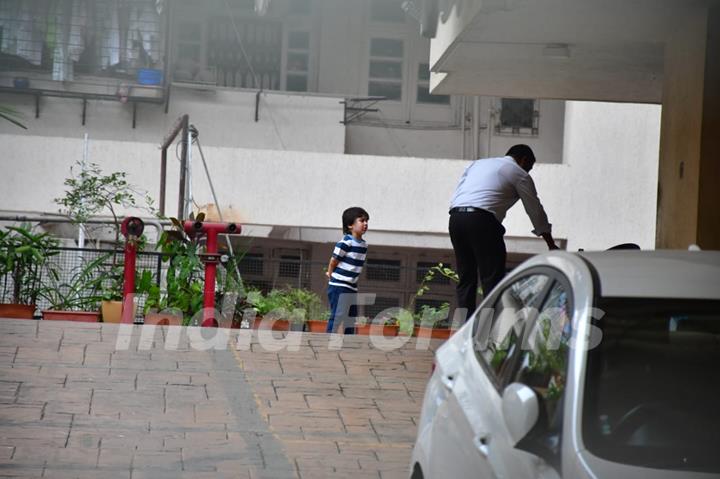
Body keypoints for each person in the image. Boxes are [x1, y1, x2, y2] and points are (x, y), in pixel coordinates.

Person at [448, 144, 558, 318]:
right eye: (529, 167)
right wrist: (551, 243)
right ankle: (488, 333)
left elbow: (460, 191)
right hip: (482, 221)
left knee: (466, 278)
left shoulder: (477, 164)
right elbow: (534, 210)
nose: (528, 172)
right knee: (491, 279)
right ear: (523, 160)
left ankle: (465, 330)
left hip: (456, 218)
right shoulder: (518, 172)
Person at [325, 207, 369, 333]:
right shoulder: (346, 242)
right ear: (350, 225)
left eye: (367, 221)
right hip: (338, 285)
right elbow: (334, 260)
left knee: (351, 317)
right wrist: (330, 274)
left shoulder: (364, 245)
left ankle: (349, 341)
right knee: (337, 314)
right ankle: (328, 337)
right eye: (361, 220)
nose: (365, 223)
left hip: (352, 286)